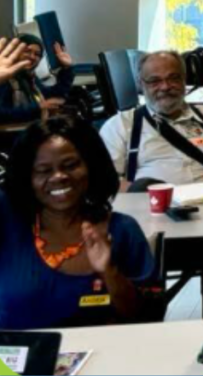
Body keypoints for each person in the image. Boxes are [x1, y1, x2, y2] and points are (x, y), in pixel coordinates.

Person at [0, 115, 155, 329]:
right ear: (27, 178)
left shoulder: (122, 230)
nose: (58, 177)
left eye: (70, 165)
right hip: (14, 361)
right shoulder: (8, 223)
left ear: (92, 166)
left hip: (104, 358)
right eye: (43, 171)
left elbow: (146, 320)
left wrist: (109, 272)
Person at [100, 51, 203, 190]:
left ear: (184, 80)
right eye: (154, 81)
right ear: (141, 84)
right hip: (151, 207)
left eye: (174, 78)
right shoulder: (120, 126)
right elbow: (105, 181)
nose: (165, 87)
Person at [0, 34, 75, 123]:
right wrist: (38, 108)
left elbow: (52, 96)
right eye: (27, 51)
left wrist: (67, 68)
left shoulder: (30, 79)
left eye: (37, 54)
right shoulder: (5, 79)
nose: (32, 57)